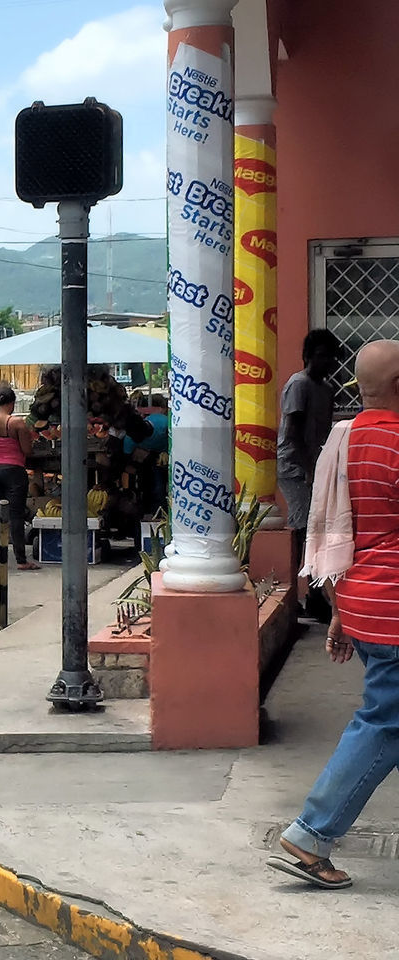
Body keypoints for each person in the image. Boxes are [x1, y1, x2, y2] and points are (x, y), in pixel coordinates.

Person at [266, 340, 399, 891]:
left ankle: (314, 830)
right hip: (393, 606)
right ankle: (312, 832)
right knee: (384, 722)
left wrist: (341, 612)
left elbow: (338, 532)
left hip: (366, 601)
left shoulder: (343, 441)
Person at [278, 329, 342, 622]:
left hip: (318, 468)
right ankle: (302, 594)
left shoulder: (327, 390)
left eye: (329, 357)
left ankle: (316, 595)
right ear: (308, 357)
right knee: (306, 530)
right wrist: (309, 470)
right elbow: (292, 434)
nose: (325, 362)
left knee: (319, 532)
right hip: (296, 470)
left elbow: (325, 433)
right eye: (320, 356)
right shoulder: (298, 385)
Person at [0, 384, 41, 571]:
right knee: (16, 515)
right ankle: (21, 560)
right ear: (12, 403)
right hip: (14, 470)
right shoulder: (17, 424)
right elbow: (27, 450)